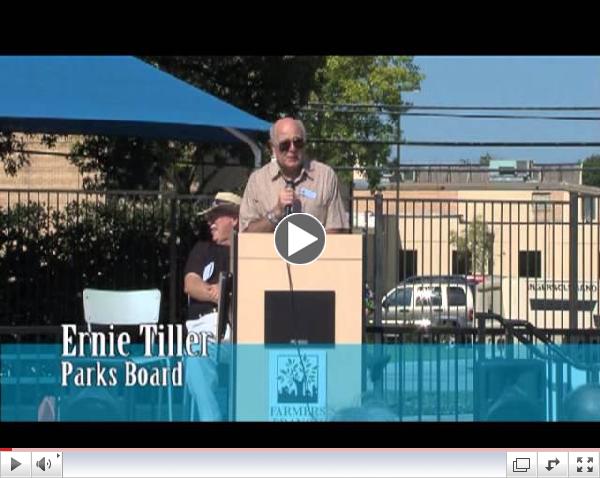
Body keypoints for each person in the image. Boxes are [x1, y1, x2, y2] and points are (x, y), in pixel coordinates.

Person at [183, 191, 240, 421]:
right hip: (205, 327)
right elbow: (190, 284)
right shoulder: (202, 248)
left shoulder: (249, 251)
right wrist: (219, 292)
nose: (210, 222)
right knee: (197, 352)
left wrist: (225, 289)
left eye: (215, 216)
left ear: (234, 219)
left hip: (239, 329)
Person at [239, 117, 349, 233]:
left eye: (298, 142)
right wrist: (276, 213)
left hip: (314, 250)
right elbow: (246, 234)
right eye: (284, 144)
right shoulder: (257, 181)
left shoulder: (325, 177)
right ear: (273, 148)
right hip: (267, 251)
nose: (292, 149)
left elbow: (336, 229)